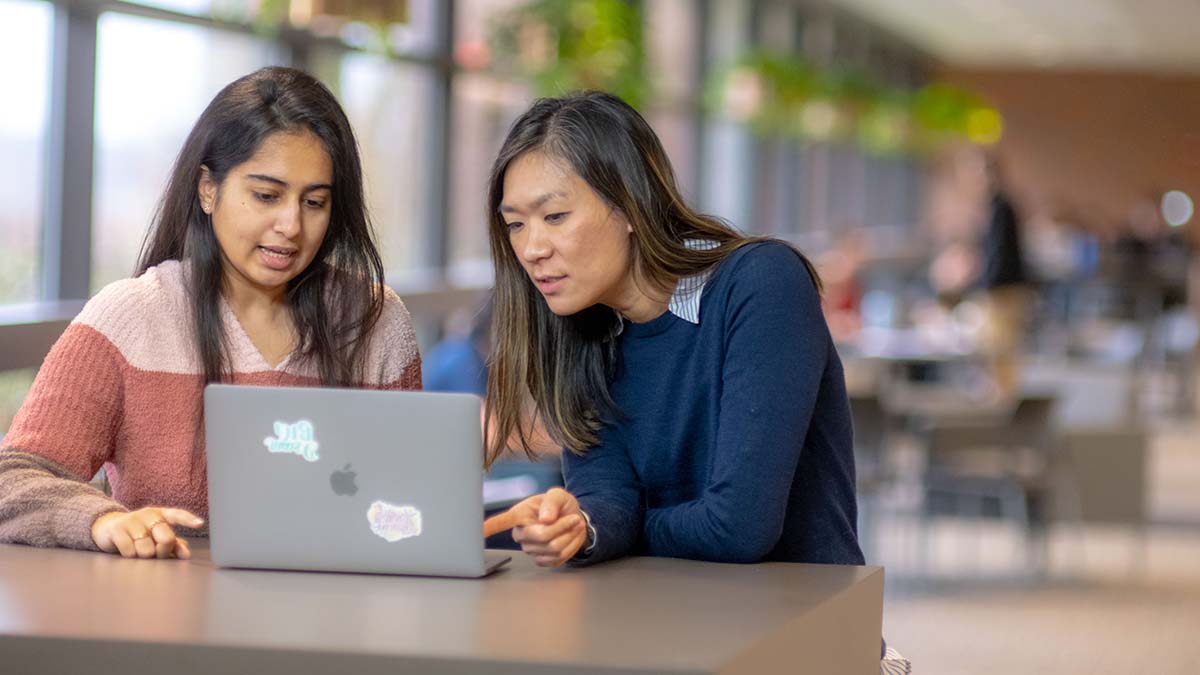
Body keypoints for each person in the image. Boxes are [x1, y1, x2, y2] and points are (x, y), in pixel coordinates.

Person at [0, 67, 422, 560]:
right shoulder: (131, 317)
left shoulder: (375, 321)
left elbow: (409, 503)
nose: (290, 225)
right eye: (266, 195)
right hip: (168, 619)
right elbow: (14, 479)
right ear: (208, 189)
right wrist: (104, 520)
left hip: (338, 616)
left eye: (315, 202)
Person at [480, 91, 864, 570]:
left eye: (555, 217)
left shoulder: (761, 284)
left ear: (628, 205)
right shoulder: (583, 335)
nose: (532, 248)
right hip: (667, 627)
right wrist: (582, 525)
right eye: (515, 225)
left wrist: (628, 527)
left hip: (802, 627)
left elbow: (740, 527)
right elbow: (607, 499)